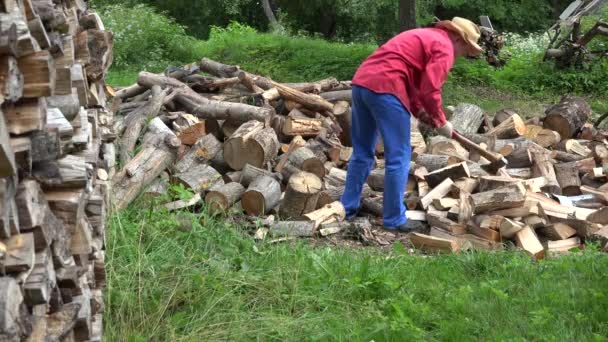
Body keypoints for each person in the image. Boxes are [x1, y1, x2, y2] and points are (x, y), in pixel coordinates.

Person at [340, 17, 484, 232]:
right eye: (465, 48)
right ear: (457, 37)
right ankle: (394, 219)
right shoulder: (444, 47)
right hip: (388, 87)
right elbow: (430, 88)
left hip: (362, 84)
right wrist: (440, 120)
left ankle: (347, 208)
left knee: (362, 153)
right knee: (399, 157)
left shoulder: (425, 36)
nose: (463, 54)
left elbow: (414, 84)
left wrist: (421, 113)